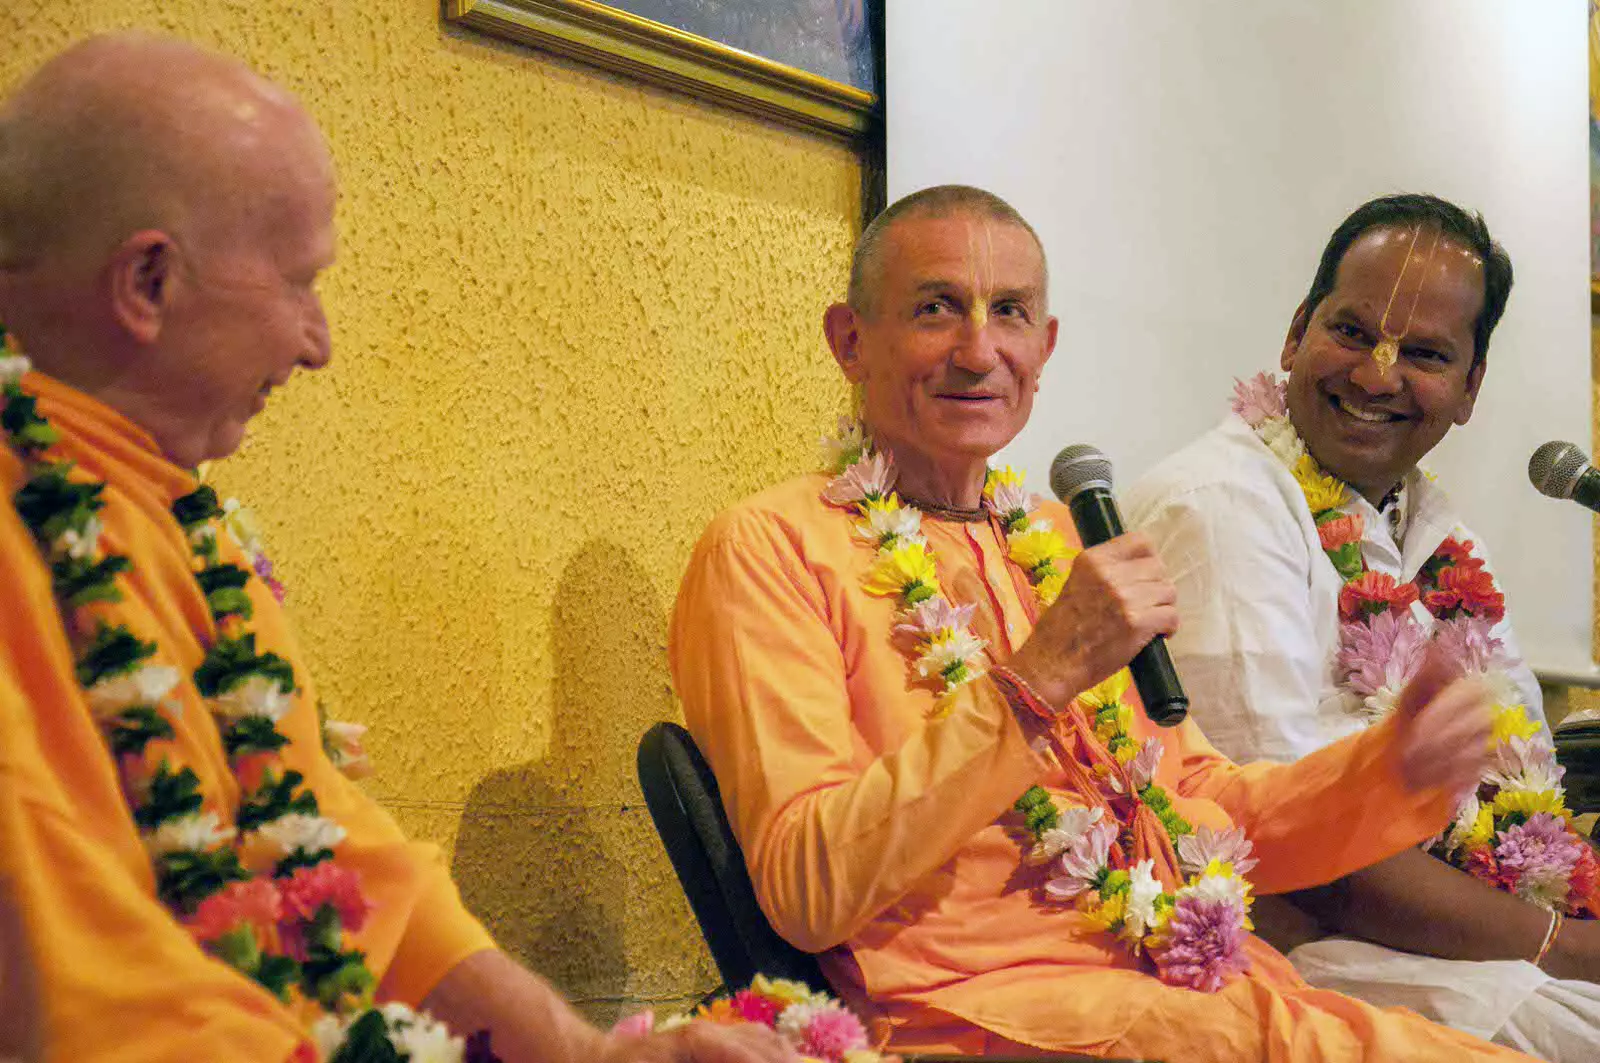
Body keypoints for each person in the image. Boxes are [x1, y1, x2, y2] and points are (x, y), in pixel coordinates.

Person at [0, 33, 793, 1063]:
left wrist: (592, 1053)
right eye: (298, 283)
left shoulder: (175, 523)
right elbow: (93, 1008)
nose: (316, 343)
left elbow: (336, 852)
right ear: (146, 281)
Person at [667, 183, 1543, 1062]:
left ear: (1043, 350)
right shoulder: (771, 548)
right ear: (850, 341)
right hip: (976, 1018)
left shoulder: (1055, 537)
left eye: (1009, 313)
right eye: (937, 308)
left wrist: (1387, 771)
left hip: (1192, 991)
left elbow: (1211, 806)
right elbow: (806, 884)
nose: (979, 351)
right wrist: (1035, 681)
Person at [1125, 194, 1600, 1060]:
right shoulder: (1221, 505)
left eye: (1423, 354)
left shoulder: (1438, 534)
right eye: (1351, 332)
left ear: (1469, 388)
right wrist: (1563, 948)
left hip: (1460, 944)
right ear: (1296, 331)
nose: (1378, 376)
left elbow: (1517, 767)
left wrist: (1563, 918)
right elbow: (1281, 843)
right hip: (1303, 957)